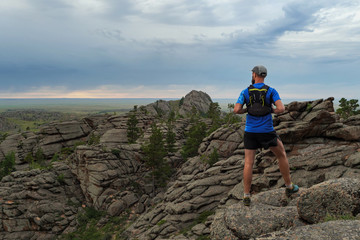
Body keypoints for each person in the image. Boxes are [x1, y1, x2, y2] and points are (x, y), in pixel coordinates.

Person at [233, 65, 299, 206]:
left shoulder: (245, 91)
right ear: (264, 75)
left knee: (249, 163)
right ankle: (289, 187)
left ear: (254, 74)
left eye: (252, 73)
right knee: (281, 155)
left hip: (250, 132)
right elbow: (281, 108)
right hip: (267, 131)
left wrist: (247, 109)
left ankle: (246, 195)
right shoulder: (271, 91)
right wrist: (271, 110)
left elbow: (236, 110)